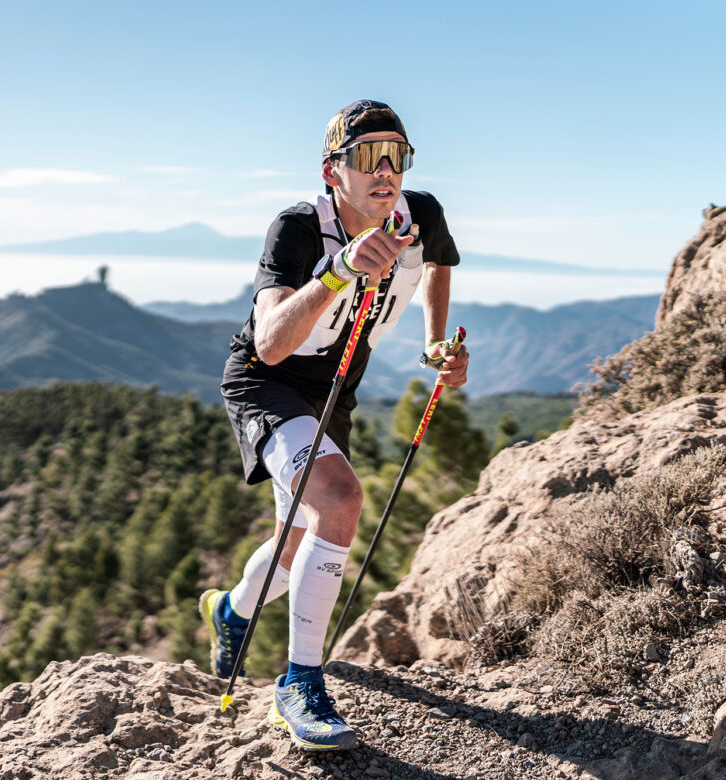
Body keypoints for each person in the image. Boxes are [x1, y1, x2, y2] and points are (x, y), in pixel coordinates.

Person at [200, 99, 469, 752]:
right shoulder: (297, 229)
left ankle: (231, 610)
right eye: (367, 157)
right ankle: (298, 686)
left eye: (397, 156)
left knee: (297, 545)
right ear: (333, 172)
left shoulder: (419, 215)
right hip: (268, 382)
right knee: (342, 500)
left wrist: (435, 345)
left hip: (332, 393)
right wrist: (341, 270)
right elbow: (268, 342)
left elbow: (438, 263)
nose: (386, 171)